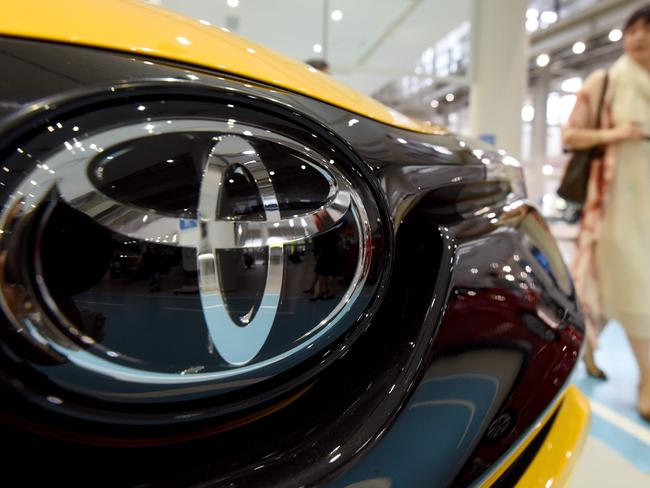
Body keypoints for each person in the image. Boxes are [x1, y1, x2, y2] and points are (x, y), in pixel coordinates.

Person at [562, 5, 650, 421]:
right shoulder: (606, 83)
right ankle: (647, 381)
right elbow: (570, 134)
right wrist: (616, 133)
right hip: (613, 211)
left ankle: (592, 350)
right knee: (635, 289)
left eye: (647, 32)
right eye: (634, 30)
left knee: (603, 291)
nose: (640, 38)